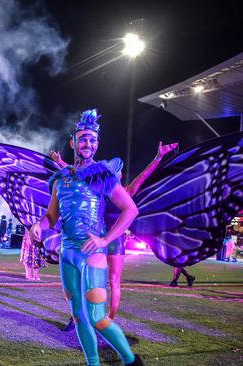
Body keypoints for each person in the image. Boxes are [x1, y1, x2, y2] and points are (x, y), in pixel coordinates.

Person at [29, 109, 143, 366]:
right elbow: (51, 215)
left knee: (97, 317)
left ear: (97, 143)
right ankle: (93, 363)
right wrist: (40, 226)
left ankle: (131, 361)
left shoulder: (102, 175)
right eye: (82, 139)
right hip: (67, 253)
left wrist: (105, 240)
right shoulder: (60, 179)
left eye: (92, 139)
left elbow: (131, 209)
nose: (87, 144)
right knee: (78, 315)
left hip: (92, 253)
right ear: (73, 142)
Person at [53, 140, 178, 328]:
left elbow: (144, 176)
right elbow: (79, 173)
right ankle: (77, 317)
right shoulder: (99, 186)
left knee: (114, 281)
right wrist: (61, 163)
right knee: (84, 279)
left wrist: (158, 157)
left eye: (117, 171)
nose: (113, 172)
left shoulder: (126, 191)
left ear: (120, 174)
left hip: (115, 241)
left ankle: (109, 320)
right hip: (97, 239)